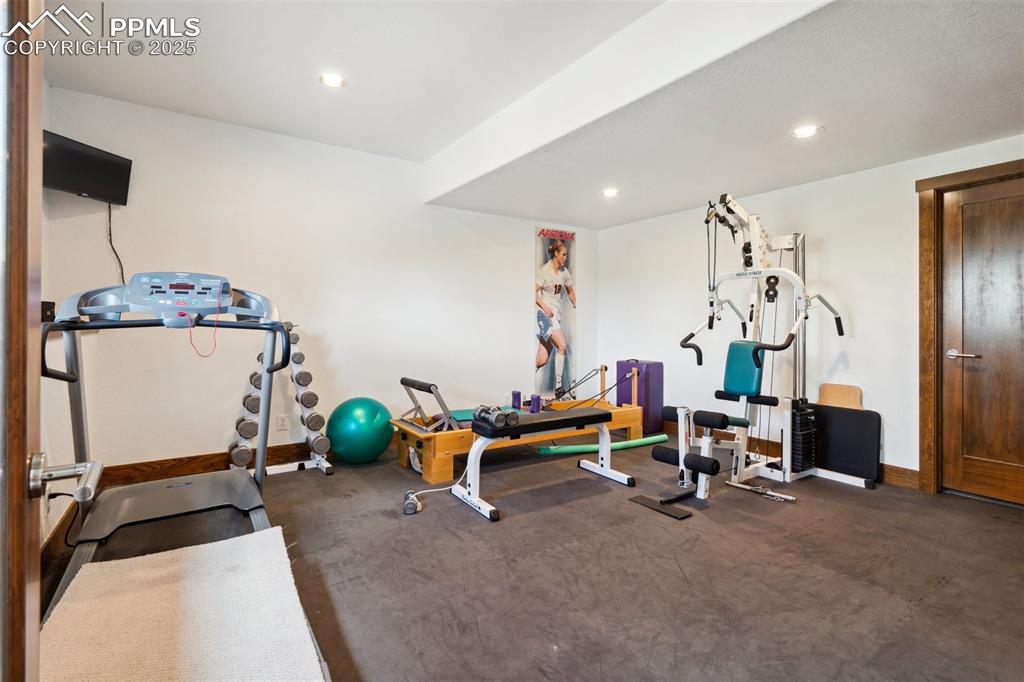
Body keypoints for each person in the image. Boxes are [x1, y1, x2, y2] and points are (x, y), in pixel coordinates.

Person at [535, 240, 576, 396]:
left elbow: (570, 291)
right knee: (562, 345)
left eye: (566, 254)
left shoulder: (564, 272)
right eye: (563, 254)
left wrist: (576, 304)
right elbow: (532, 292)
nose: (565, 257)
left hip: (556, 317)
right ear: (556, 254)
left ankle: (524, 373)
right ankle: (558, 387)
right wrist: (545, 307)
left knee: (543, 358)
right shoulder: (544, 271)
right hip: (545, 316)